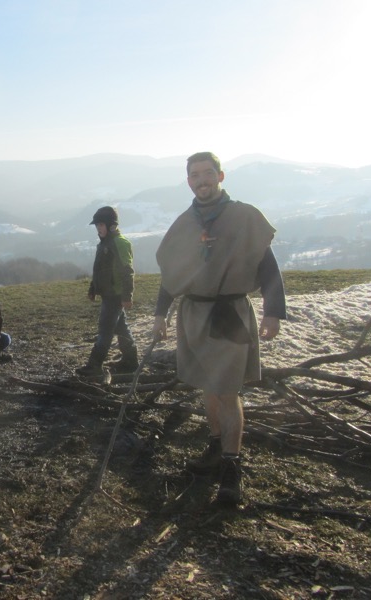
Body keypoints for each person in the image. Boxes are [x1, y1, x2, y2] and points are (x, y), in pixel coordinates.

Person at [153, 151, 287, 505]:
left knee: (227, 391)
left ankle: (231, 467)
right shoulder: (184, 224)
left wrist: (273, 312)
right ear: (188, 181)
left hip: (229, 314)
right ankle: (215, 446)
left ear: (221, 176)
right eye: (195, 175)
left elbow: (268, 266)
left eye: (208, 172)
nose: (202, 180)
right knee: (207, 386)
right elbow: (171, 273)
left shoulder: (244, 217)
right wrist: (160, 314)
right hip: (193, 314)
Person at [76, 206, 139, 376]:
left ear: (112, 225)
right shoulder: (104, 243)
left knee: (105, 329)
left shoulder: (120, 243)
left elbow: (127, 271)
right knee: (121, 328)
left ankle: (94, 365)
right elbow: (99, 269)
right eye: (97, 225)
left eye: (101, 225)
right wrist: (93, 288)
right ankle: (131, 361)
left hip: (115, 295)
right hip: (108, 293)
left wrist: (127, 296)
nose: (98, 228)